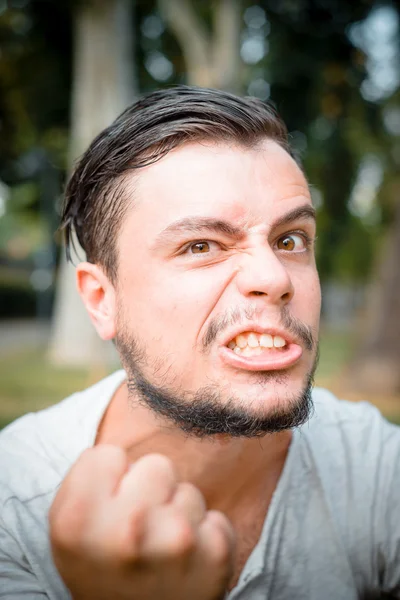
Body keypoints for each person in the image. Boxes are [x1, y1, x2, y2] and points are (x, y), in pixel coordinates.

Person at [0, 86, 399, 600]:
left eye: (290, 240)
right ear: (102, 300)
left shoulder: (372, 466)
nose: (273, 276)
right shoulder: (15, 505)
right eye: (201, 246)